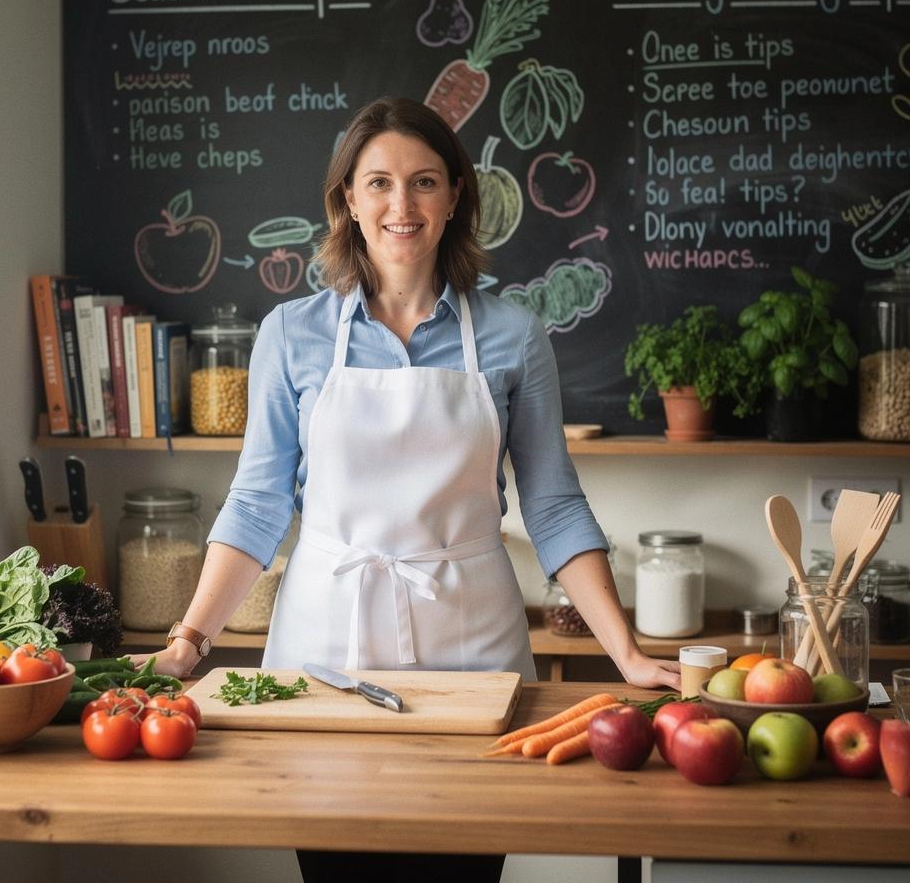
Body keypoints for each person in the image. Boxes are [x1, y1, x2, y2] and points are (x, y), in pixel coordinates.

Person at [133, 97, 679, 882]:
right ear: (348, 201)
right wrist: (189, 641)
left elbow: (553, 503)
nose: (403, 203)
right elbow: (257, 503)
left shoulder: (513, 334)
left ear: (455, 196)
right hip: (323, 655)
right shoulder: (290, 333)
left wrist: (624, 653)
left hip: (473, 651)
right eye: (379, 182)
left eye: (424, 181)